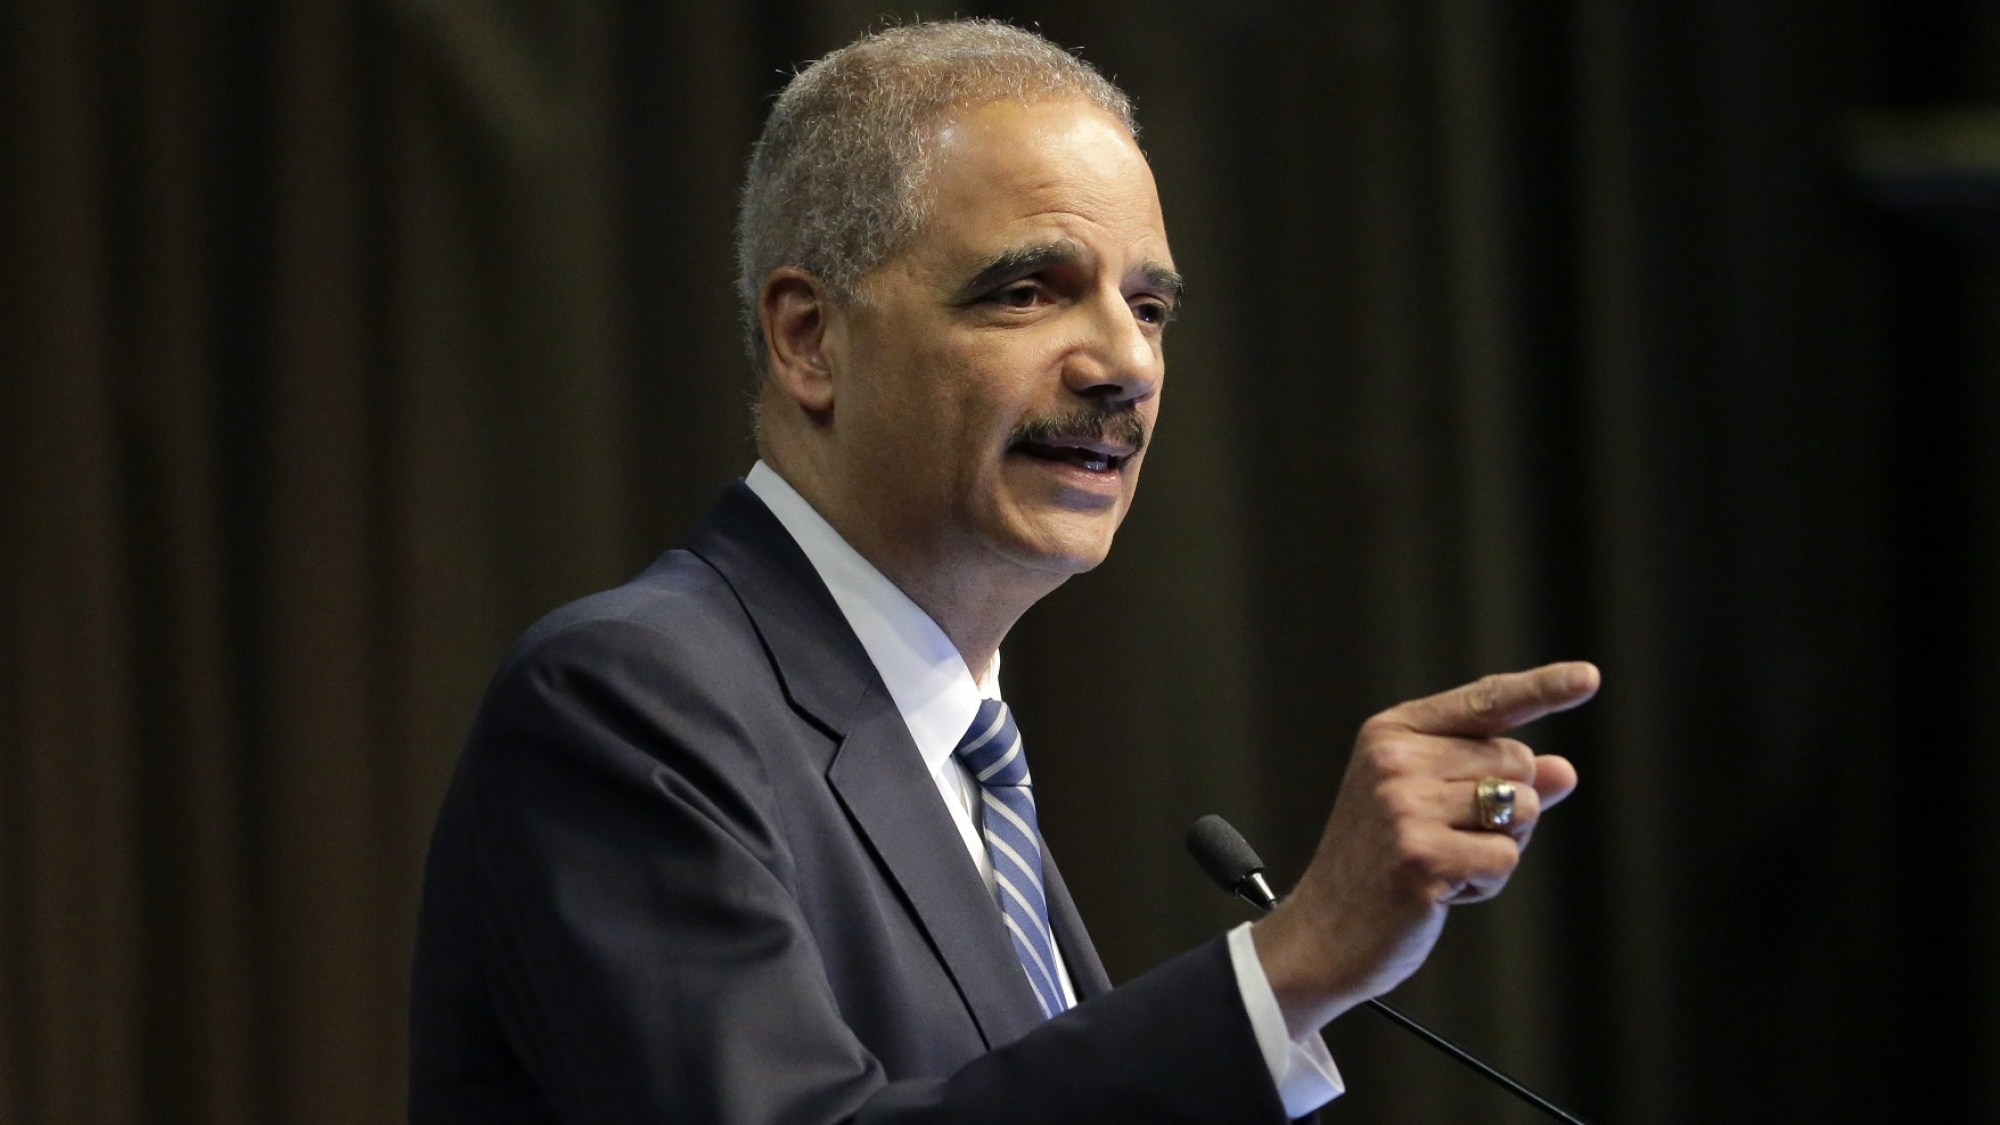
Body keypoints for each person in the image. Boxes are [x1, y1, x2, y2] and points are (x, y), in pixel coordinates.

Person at [408, 19, 1598, 1124]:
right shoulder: (630, 700)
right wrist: (1295, 961)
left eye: (1149, 307)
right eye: (1027, 292)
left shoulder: (966, 760)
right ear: (808, 339)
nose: (1124, 363)